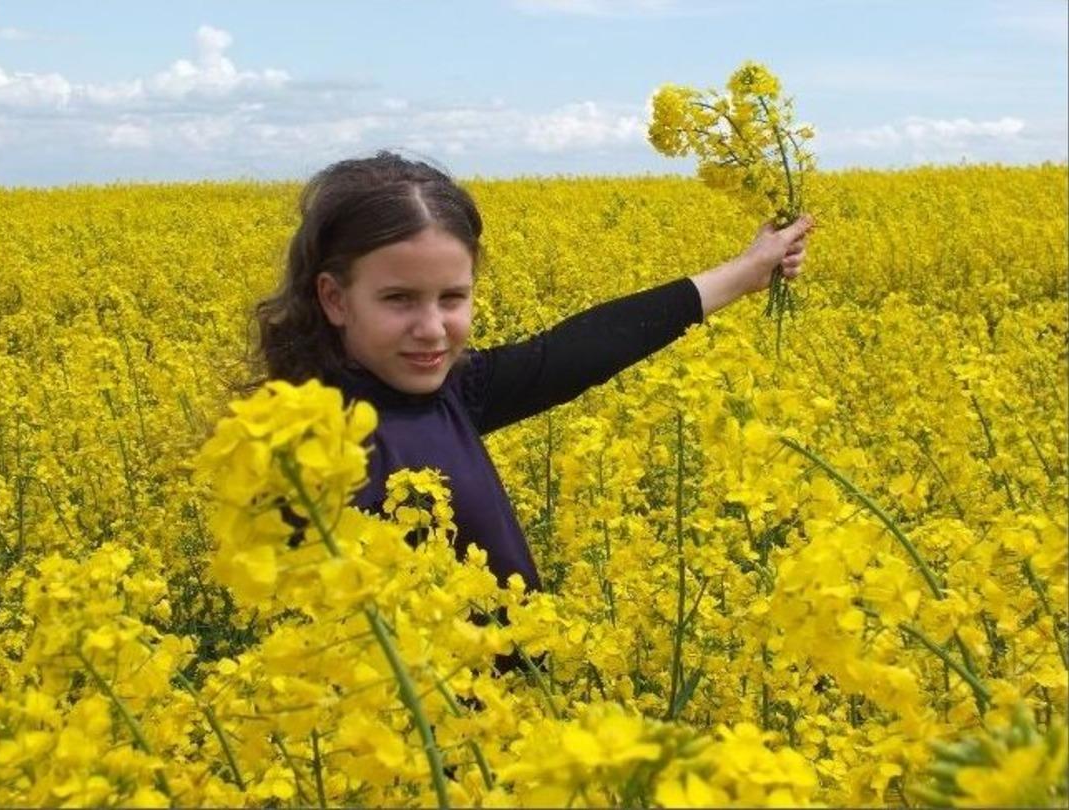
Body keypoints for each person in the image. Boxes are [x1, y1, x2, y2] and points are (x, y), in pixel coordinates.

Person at [255, 150, 811, 597]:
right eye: (398, 299)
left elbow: (584, 348)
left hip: (511, 722)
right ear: (334, 298)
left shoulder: (453, 392)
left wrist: (747, 272)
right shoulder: (306, 446)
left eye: (453, 297)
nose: (431, 329)